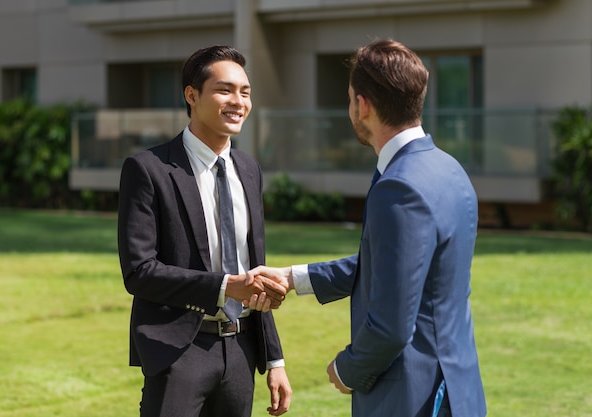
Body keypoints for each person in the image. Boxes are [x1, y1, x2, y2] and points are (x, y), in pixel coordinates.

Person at [247, 39, 486, 417]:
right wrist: (295, 278)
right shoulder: (449, 168)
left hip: (412, 397)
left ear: (363, 105)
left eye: (348, 99)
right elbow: (399, 268)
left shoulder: (399, 185)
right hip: (458, 389)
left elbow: (391, 326)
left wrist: (348, 368)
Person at [117, 45, 292, 417]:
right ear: (192, 96)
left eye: (245, 92)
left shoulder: (249, 170)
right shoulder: (148, 169)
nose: (238, 101)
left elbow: (254, 266)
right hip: (180, 350)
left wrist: (274, 359)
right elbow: (139, 271)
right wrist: (226, 287)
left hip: (242, 350)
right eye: (225, 90)